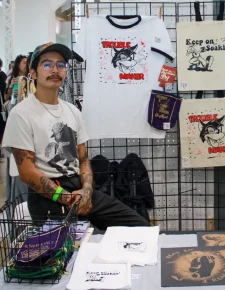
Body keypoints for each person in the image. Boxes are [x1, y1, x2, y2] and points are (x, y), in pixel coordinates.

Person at [2, 42, 150, 229]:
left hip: (79, 188)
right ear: (32, 73)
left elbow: (83, 160)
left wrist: (87, 191)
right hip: (48, 195)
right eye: (47, 64)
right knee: (67, 251)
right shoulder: (21, 114)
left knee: (140, 226)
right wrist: (65, 197)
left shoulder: (72, 111)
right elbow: (27, 172)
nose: (55, 70)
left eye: (61, 65)